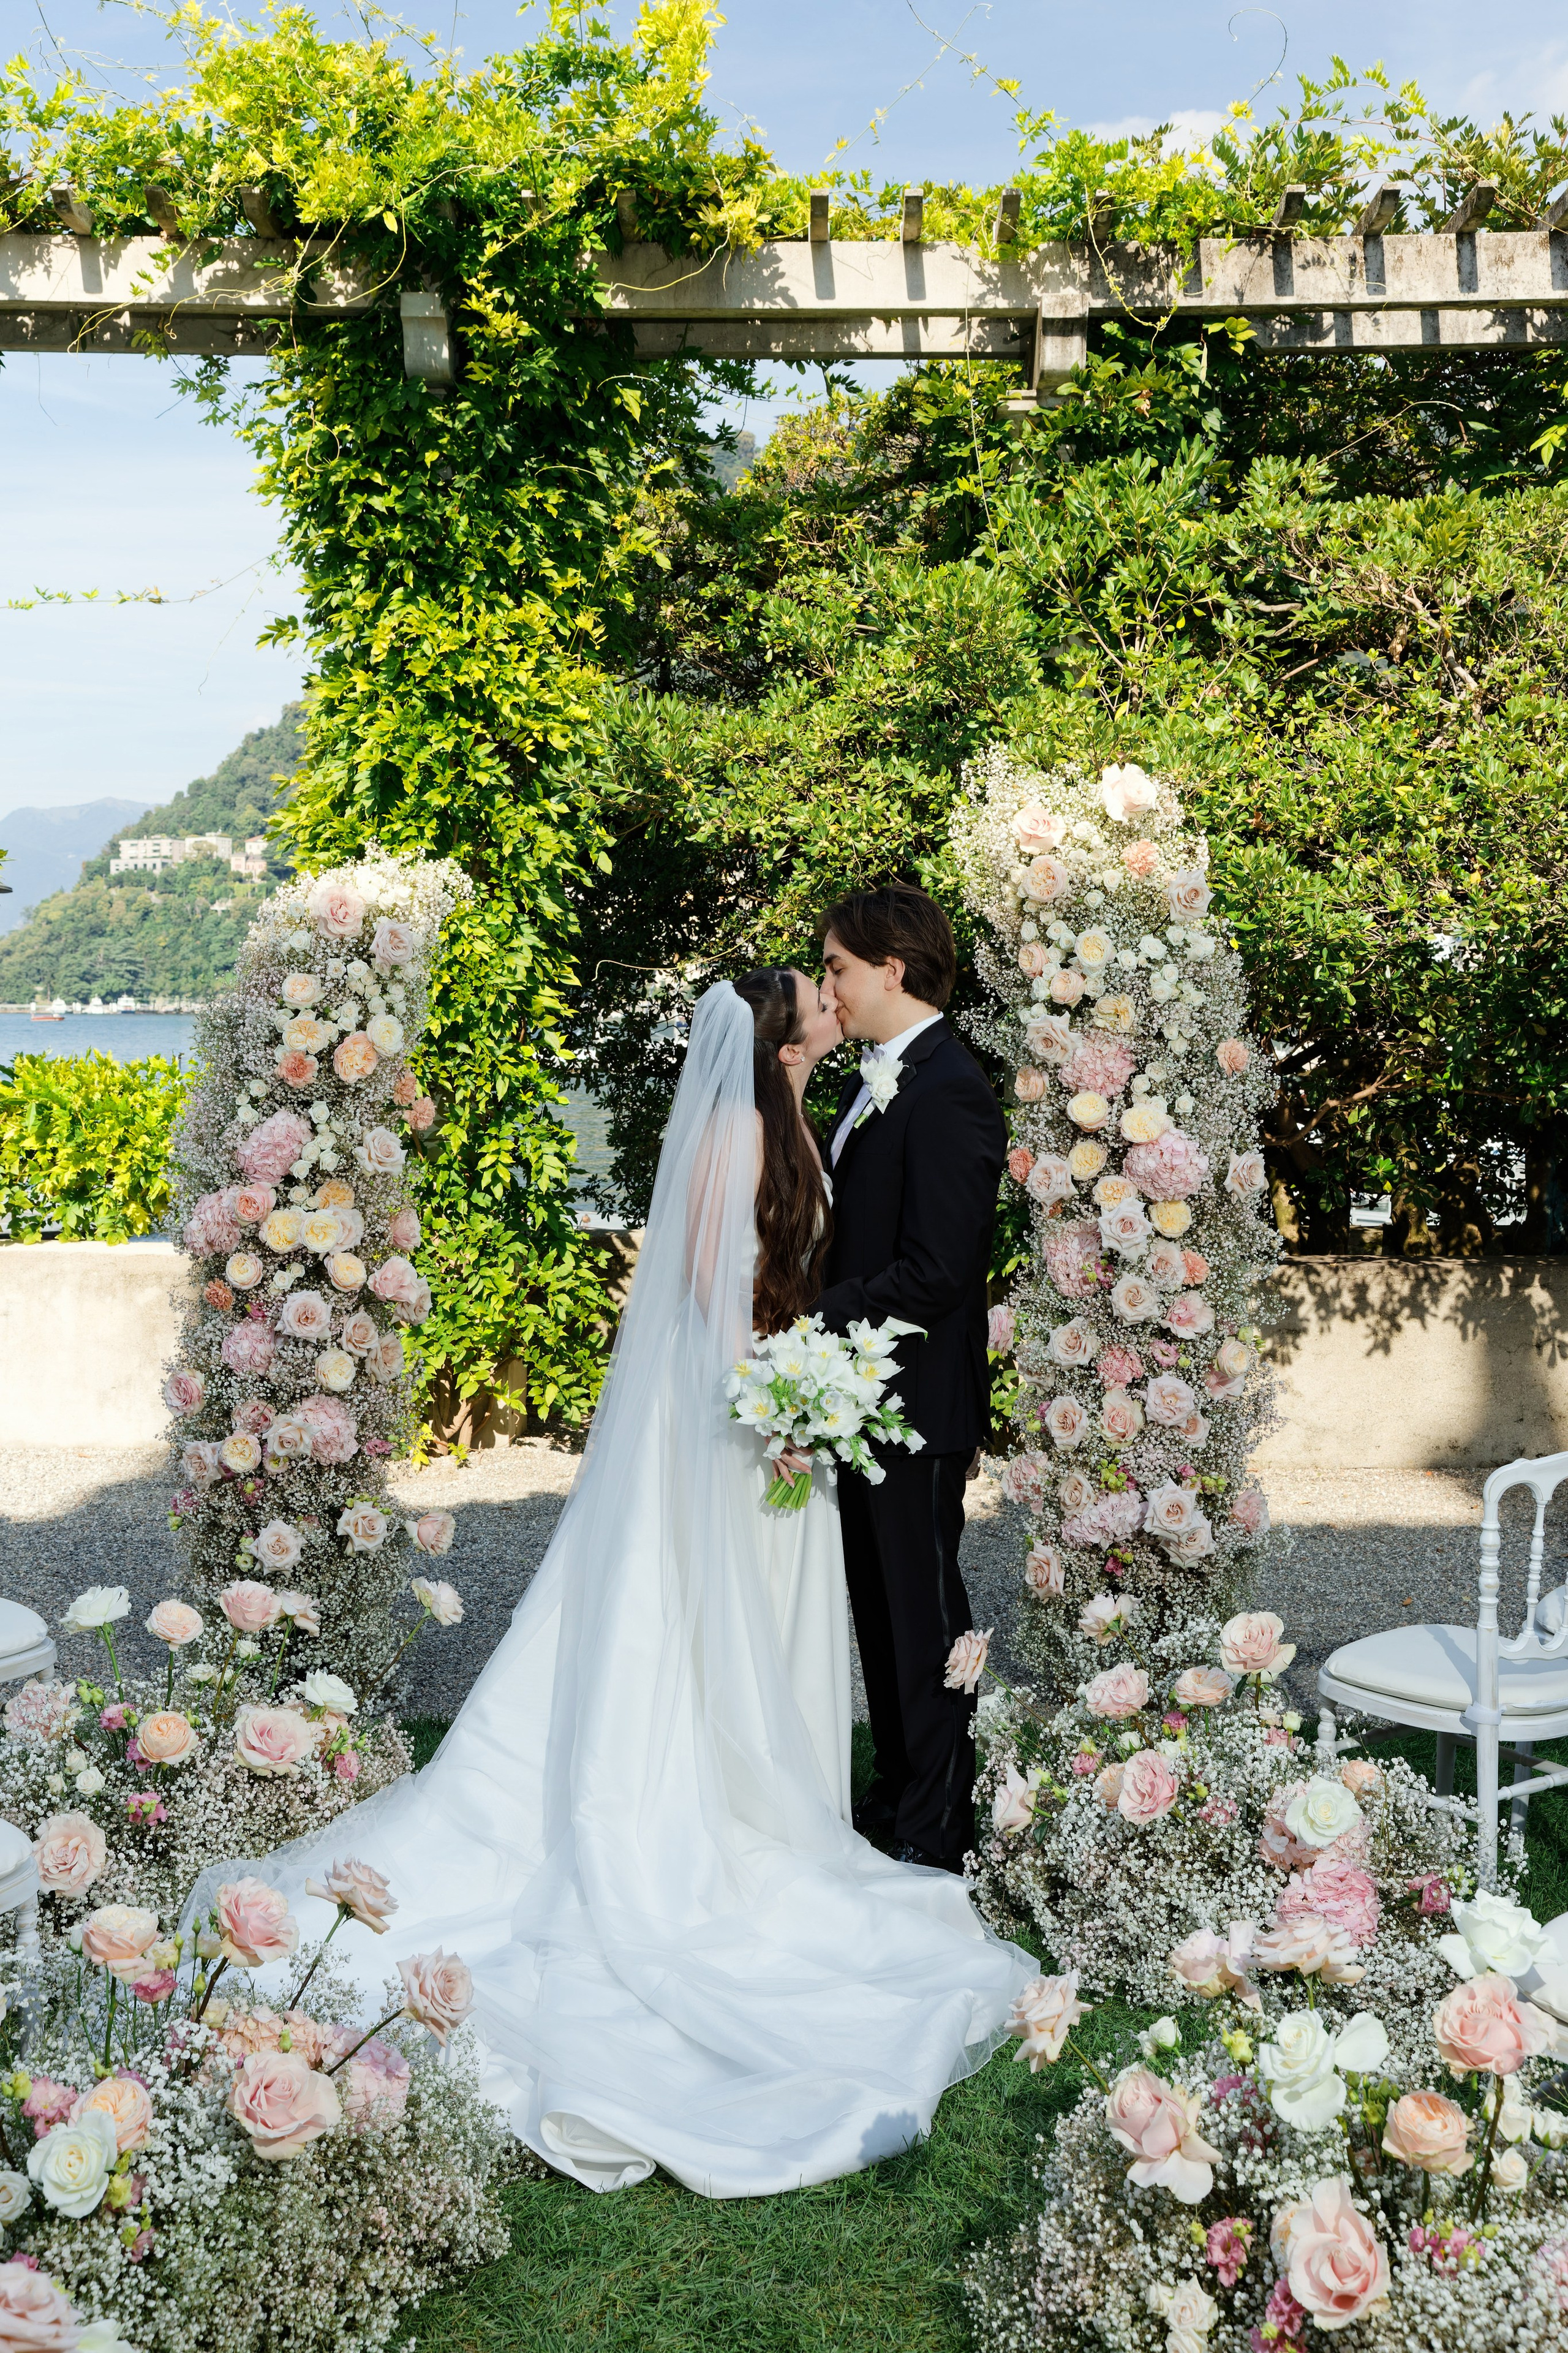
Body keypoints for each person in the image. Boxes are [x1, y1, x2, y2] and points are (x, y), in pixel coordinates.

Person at [201, 970, 1032, 2200]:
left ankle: (775, 1807)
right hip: (740, 1432)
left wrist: (810, 1378)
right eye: (811, 989)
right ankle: (705, 1821)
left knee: (770, 1635)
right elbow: (710, 1295)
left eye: (828, 977)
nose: (824, 991)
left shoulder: (807, 1111)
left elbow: (811, 1269)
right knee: (684, 1635)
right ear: (774, 1029)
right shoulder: (739, 1132)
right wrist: (785, 1383)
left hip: (784, 1434)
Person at [816, 885, 1007, 1874]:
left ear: (893, 968)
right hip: (860, 1408)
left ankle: (938, 1831)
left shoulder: (951, 1088)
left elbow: (937, 1272)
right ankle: (896, 1800)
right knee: (881, 1619)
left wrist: (813, 1322)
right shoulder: (876, 1078)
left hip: (917, 1409)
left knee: (927, 1623)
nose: (827, 987)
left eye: (838, 968)